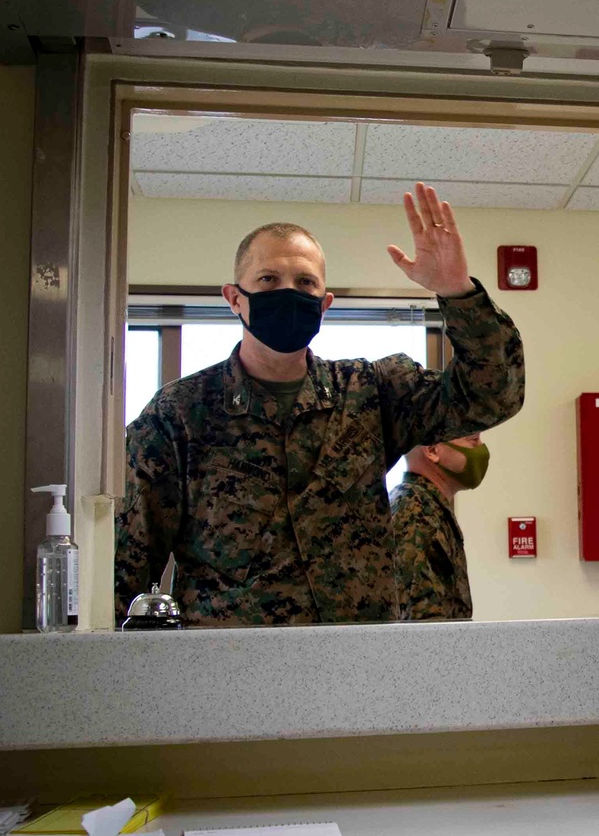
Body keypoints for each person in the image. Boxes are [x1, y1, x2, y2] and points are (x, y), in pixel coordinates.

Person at [115, 183, 524, 628]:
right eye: (268, 280)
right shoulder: (179, 415)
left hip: (357, 673)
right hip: (231, 679)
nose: (288, 293)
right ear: (235, 298)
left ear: (324, 304)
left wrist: (457, 291)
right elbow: (128, 569)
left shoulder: (371, 392)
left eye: (305, 282)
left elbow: (492, 394)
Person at [390, 433, 489, 621]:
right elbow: (419, 622)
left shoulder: (428, 506)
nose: (481, 448)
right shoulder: (414, 510)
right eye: (473, 440)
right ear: (432, 450)